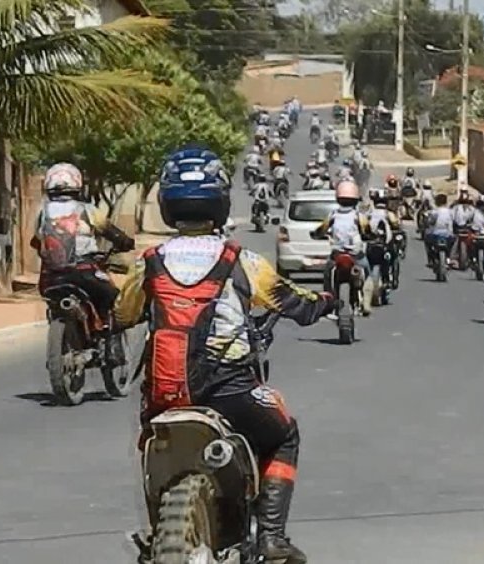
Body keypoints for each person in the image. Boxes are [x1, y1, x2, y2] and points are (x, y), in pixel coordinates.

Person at [116, 147, 334, 564]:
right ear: (220, 201)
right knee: (285, 433)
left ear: (166, 204)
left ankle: (155, 533)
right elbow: (299, 307)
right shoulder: (243, 261)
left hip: (167, 395)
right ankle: (271, 537)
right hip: (230, 391)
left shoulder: (149, 263)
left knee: (151, 448)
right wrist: (326, 301)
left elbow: (123, 314)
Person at [31, 163, 136, 363]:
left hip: (50, 277)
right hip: (84, 272)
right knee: (111, 295)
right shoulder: (87, 210)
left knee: (54, 304)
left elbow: (36, 241)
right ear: (77, 183)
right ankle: (111, 345)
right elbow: (110, 231)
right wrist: (126, 242)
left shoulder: (42, 212)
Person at [312, 180, 372, 317]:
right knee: (367, 273)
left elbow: (321, 230)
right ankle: (365, 302)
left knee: (327, 276)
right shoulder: (359, 216)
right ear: (356, 199)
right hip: (356, 255)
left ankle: (329, 304)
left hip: (337, 255)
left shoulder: (332, 215)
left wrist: (316, 235)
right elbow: (367, 231)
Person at [424, 193, 455, 268]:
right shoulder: (450, 212)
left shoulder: (435, 212)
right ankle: (449, 258)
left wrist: (427, 223)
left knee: (427, 241)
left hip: (435, 234)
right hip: (448, 235)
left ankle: (430, 259)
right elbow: (454, 221)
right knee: (452, 244)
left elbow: (430, 221)